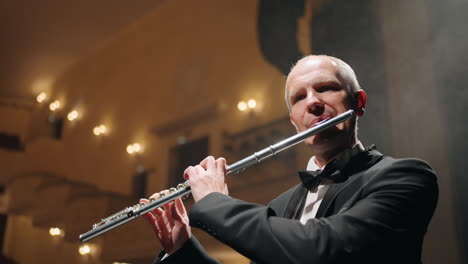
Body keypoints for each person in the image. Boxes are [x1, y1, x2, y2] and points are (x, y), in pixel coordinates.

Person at [140, 55, 439, 264]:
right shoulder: (280, 207)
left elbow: (321, 252)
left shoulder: (404, 177)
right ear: (294, 121)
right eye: (299, 97)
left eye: (325, 88)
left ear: (358, 103)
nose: (312, 102)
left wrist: (215, 202)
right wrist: (182, 250)